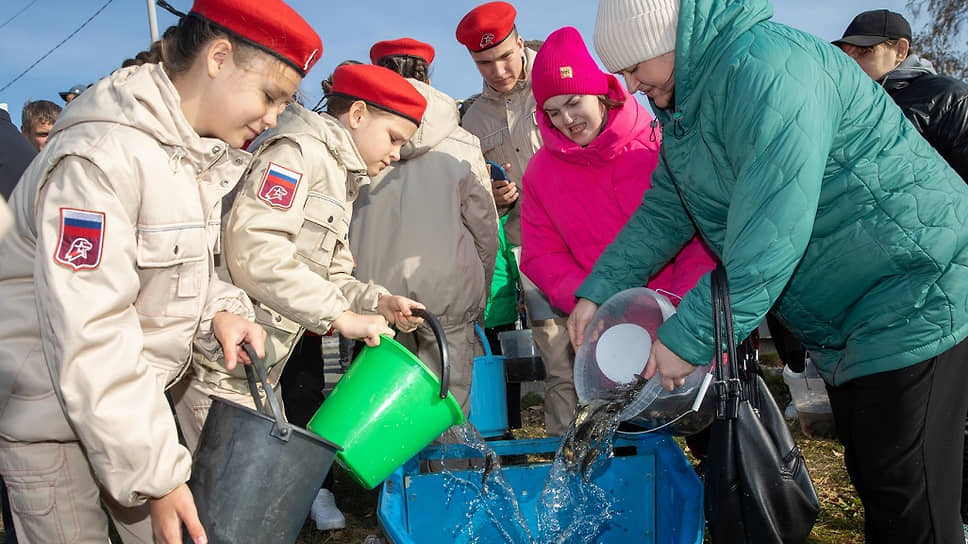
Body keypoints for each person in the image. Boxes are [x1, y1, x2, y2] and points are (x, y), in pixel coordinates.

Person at [571, 0, 968, 542]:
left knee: (908, 496)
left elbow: (773, 228)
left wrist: (688, 340)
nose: (632, 85)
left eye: (634, 66)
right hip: (854, 310)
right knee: (881, 478)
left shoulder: (768, 70)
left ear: (673, 39)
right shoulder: (692, 101)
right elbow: (667, 207)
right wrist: (599, 289)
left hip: (914, 288)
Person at [0, 0, 321, 541]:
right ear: (219, 57)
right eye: (271, 96)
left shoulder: (187, 158)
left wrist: (219, 309)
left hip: (128, 416)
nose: (273, 118)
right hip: (52, 426)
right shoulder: (101, 157)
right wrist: (158, 474)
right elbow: (91, 330)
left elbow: (174, 271)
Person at [174, 63, 428, 529]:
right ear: (357, 114)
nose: (395, 154)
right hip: (220, 363)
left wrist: (376, 302)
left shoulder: (340, 176)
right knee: (225, 516)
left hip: (254, 366)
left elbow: (330, 274)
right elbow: (255, 250)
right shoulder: (297, 155)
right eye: (393, 137)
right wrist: (339, 315)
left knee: (234, 512)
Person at [522, 25, 714, 319]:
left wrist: (679, 306)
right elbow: (543, 255)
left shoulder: (657, 144)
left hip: (684, 314)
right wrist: (593, 302)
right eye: (553, 112)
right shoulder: (539, 175)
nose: (567, 119)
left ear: (599, 93)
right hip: (607, 324)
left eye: (574, 102)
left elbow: (701, 233)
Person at [351, 37, 499, 415]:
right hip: (447, 295)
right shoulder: (461, 142)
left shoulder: (356, 138)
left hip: (373, 296)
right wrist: (477, 300)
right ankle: (449, 475)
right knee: (446, 409)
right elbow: (484, 229)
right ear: (427, 76)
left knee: (383, 414)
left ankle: (395, 477)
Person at [456, 1, 577, 436]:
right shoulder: (472, 119)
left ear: (519, 41)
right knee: (557, 356)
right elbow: (477, 193)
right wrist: (497, 197)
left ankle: (617, 448)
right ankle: (567, 455)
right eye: (484, 63)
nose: (498, 70)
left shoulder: (559, 81)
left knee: (604, 350)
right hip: (533, 252)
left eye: (505, 55)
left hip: (588, 240)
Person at [834, 9, 968, 182]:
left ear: (900, 51)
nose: (852, 64)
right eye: (846, 57)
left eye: (862, 53)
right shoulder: (847, 108)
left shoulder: (949, 97)